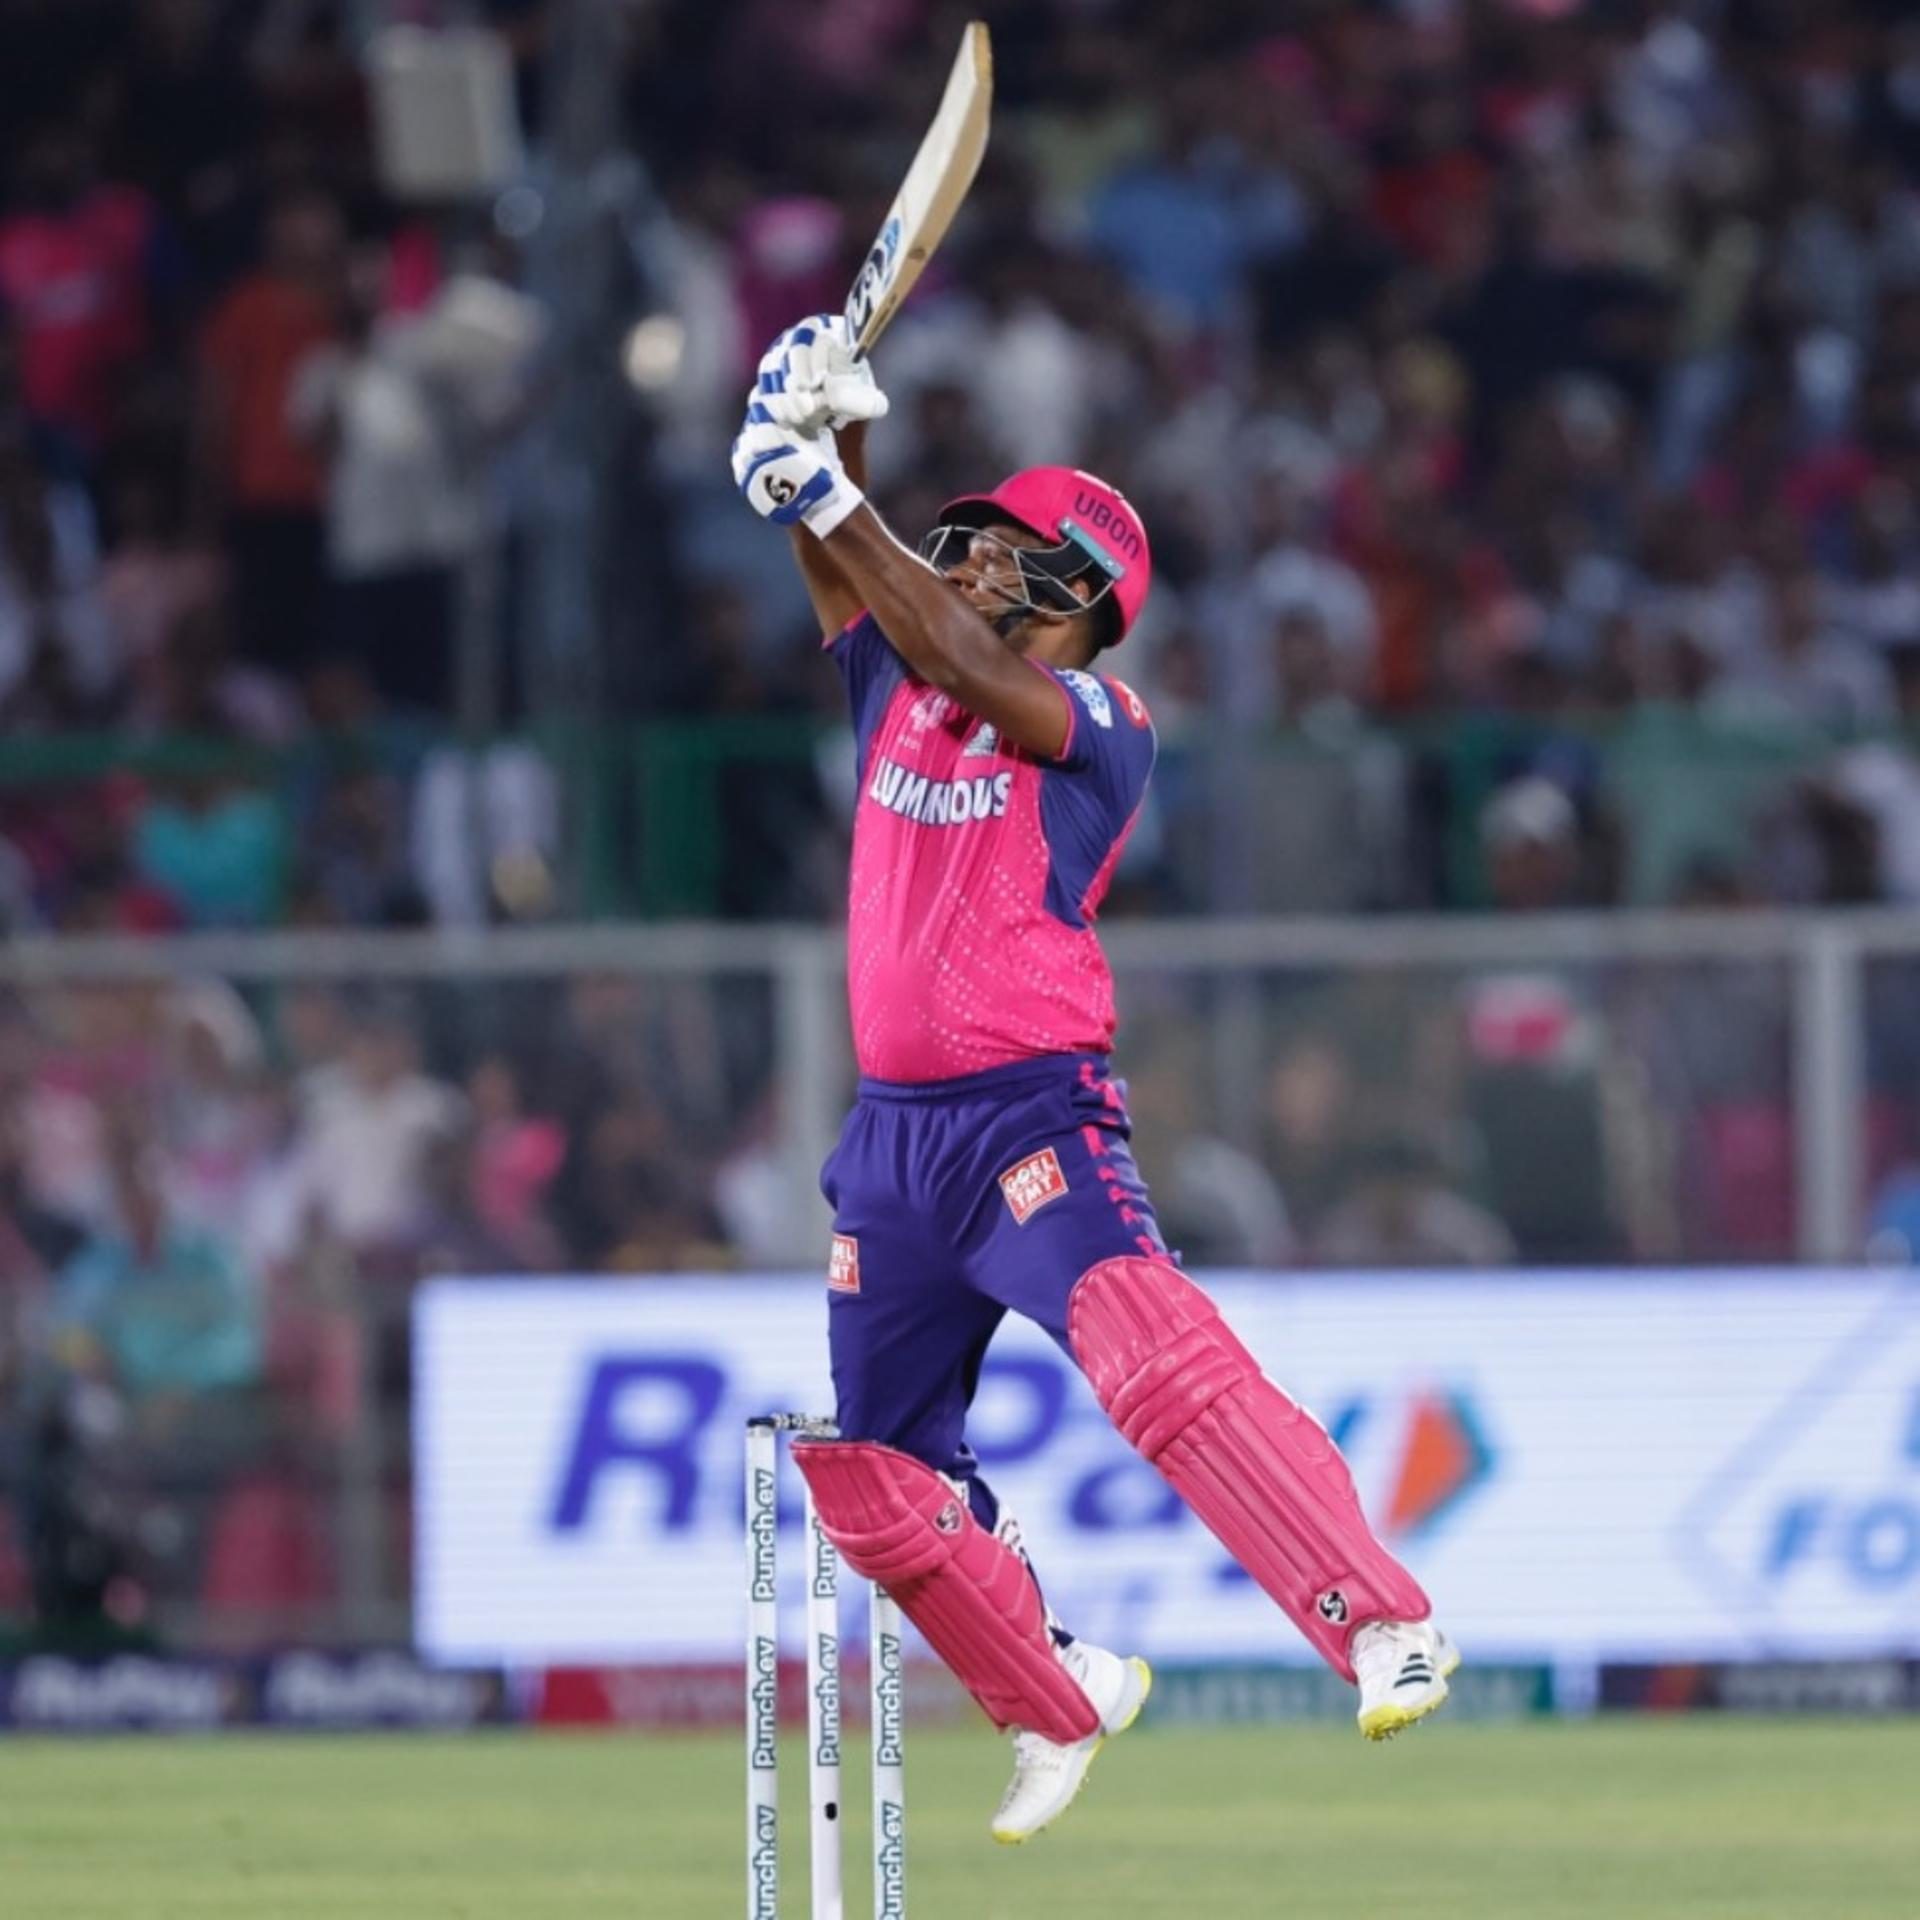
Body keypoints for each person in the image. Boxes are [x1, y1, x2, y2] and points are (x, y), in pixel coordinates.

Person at [730, 316, 1456, 1845]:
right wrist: (829, 419)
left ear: (1081, 598)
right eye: (970, 538)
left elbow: (935, 631)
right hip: (892, 1147)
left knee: (1151, 1360)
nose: (973, 559)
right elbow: (862, 589)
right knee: (875, 1476)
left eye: (1010, 550)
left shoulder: (1101, 728)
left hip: (1029, 1117)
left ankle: (1379, 1619)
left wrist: (825, 490)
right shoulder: (898, 688)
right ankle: (1057, 1693)